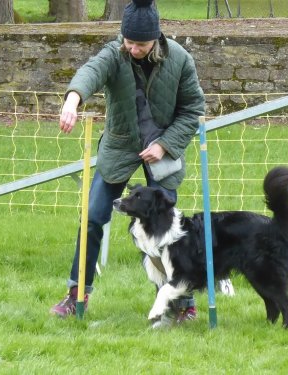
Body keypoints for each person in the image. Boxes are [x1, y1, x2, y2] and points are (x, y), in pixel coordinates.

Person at [50, 0, 205, 325]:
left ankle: (182, 302)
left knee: (169, 232)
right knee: (92, 218)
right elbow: (90, 71)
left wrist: (165, 145)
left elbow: (193, 109)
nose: (132, 48)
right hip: (118, 149)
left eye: (140, 43)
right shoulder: (114, 54)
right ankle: (77, 293)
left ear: (156, 39)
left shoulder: (179, 59)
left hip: (162, 153)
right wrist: (73, 99)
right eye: (128, 41)